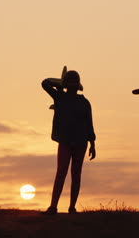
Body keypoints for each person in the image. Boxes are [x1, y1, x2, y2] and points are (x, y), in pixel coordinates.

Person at [41, 70, 96, 215]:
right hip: (65, 141)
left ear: (78, 84)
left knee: (75, 174)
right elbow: (44, 83)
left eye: (74, 81)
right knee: (61, 172)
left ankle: (71, 207)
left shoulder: (83, 102)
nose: (72, 84)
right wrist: (59, 84)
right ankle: (53, 206)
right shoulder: (59, 96)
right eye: (69, 81)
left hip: (80, 141)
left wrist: (93, 143)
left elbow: (89, 124)